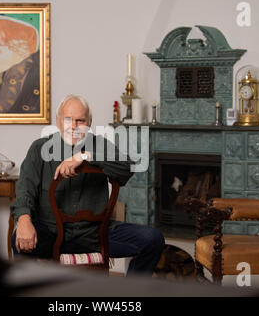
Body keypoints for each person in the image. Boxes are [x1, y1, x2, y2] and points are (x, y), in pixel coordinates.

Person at [10, 95, 165, 276]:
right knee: (19, 241)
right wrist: (23, 219)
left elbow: (127, 167)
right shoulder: (40, 148)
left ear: (89, 122)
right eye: (68, 119)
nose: (73, 126)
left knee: (153, 240)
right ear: (58, 121)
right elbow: (24, 189)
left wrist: (85, 156)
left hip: (95, 234)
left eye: (80, 120)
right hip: (50, 233)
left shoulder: (100, 145)